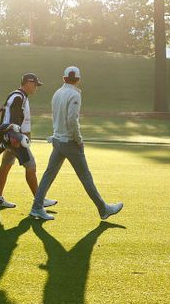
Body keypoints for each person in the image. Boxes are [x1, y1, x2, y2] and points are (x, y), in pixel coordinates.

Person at [29, 66, 123, 221]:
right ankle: (103, 209)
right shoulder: (74, 95)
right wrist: (79, 140)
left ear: (64, 78)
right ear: (78, 79)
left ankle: (36, 207)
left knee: (49, 174)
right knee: (85, 176)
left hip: (57, 140)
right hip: (69, 142)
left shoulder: (57, 93)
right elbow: (72, 120)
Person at [0, 73, 57, 210]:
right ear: (28, 83)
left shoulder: (17, 95)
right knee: (31, 166)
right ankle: (39, 200)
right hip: (16, 139)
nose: (36, 88)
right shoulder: (19, 97)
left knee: (5, 166)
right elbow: (13, 119)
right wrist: (16, 137)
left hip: (10, 138)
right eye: (35, 85)